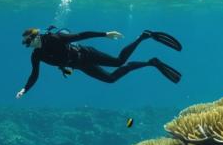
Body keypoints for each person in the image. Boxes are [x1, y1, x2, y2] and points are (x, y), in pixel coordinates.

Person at [16, 27, 182, 98]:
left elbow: (80, 36)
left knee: (119, 61)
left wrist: (105, 34)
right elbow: (34, 74)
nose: (25, 44)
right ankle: (151, 62)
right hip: (80, 66)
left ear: (36, 36)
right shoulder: (36, 55)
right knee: (111, 79)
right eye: (24, 42)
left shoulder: (54, 38)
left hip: (85, 54)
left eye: (27, 41)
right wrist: (24, 89)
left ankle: (143, 36)